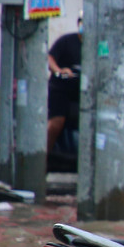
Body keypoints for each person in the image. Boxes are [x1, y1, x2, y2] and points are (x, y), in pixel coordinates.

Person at [47, 19, 82, 152]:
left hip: (82, 92)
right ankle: (44, 156)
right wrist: (59, 71)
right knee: (57, 122)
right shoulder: (67, 41)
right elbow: (50, 58)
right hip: (61, 89)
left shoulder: (97, 45)